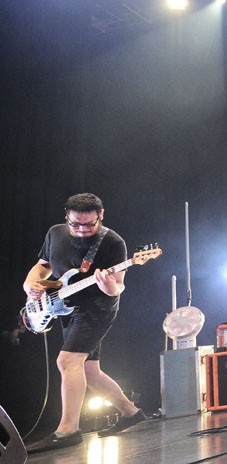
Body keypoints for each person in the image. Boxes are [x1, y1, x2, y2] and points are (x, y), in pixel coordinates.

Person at [22, 193, 146, 453]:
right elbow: (42, 266)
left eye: (89, 225)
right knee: (89, 372)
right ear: (67, 217)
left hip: (96, 309)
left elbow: (118, 287)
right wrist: (30, 284)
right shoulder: (55, 233)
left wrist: (109, 286)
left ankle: (68, 430)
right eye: (75, 224)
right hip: (64, 306)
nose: (81, 230)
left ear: (101, 216)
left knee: (67, 361)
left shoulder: (113, 242)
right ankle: (131, 412)